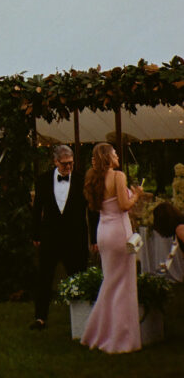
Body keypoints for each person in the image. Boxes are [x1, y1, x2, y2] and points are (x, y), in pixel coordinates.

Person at [81, 142, 144, 354]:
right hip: (118, 230)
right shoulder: (117, 176)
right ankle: (119, 337)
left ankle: (98, 332)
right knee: (122, 284)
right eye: (115, 153)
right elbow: (124, 206)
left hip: (103, 231)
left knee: (110, 281)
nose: (117, 156)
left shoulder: (93, 177)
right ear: (108, 157)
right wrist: (137, 195)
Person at [30, 144, 90, 330]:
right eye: (64, 164)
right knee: (44, 278)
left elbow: (92, 210)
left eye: (71, 163)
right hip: (50, 236)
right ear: (55, 162)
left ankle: (83, 318)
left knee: (79, 276)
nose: (68, 167)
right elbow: (37, 209)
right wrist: (35, 234)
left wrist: (94, 238)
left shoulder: (82, 180)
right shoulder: (43, 180)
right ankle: (40, 317)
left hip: (75, 237)